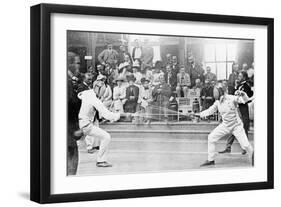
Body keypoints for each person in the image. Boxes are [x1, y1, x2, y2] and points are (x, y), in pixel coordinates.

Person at [198, 84, 254, 167]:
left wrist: (243, 94)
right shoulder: (217, 102)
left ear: (220, 91)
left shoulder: (231, 98)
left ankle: (255, 158)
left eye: (215, 91)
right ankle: (211, 160)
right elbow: (210, 111)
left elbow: (245, 100)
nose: (214, 94)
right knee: (211, 137)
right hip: (225, 125)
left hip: (236, 126)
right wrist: (199, 114)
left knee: (245, 145)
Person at [77, 89, 120, 167]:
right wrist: (117, 115)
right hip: (85, 125)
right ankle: (101, 161)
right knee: (106, 137)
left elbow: (80, 95)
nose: (102, 95)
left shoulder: (86, 94)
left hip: (82, 123)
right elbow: (106, 114)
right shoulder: (93, 98)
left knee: (76, 142)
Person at [219, 71, 253, 154]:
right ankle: (228, 147)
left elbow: (248, 98)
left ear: (244, 77)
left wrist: (241, 96)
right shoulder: (238, 85)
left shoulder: (246, 86)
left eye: (240, 76)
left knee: (243, 128)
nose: (238, 77)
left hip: (243, 109)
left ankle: (245, 148)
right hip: (236, 108)